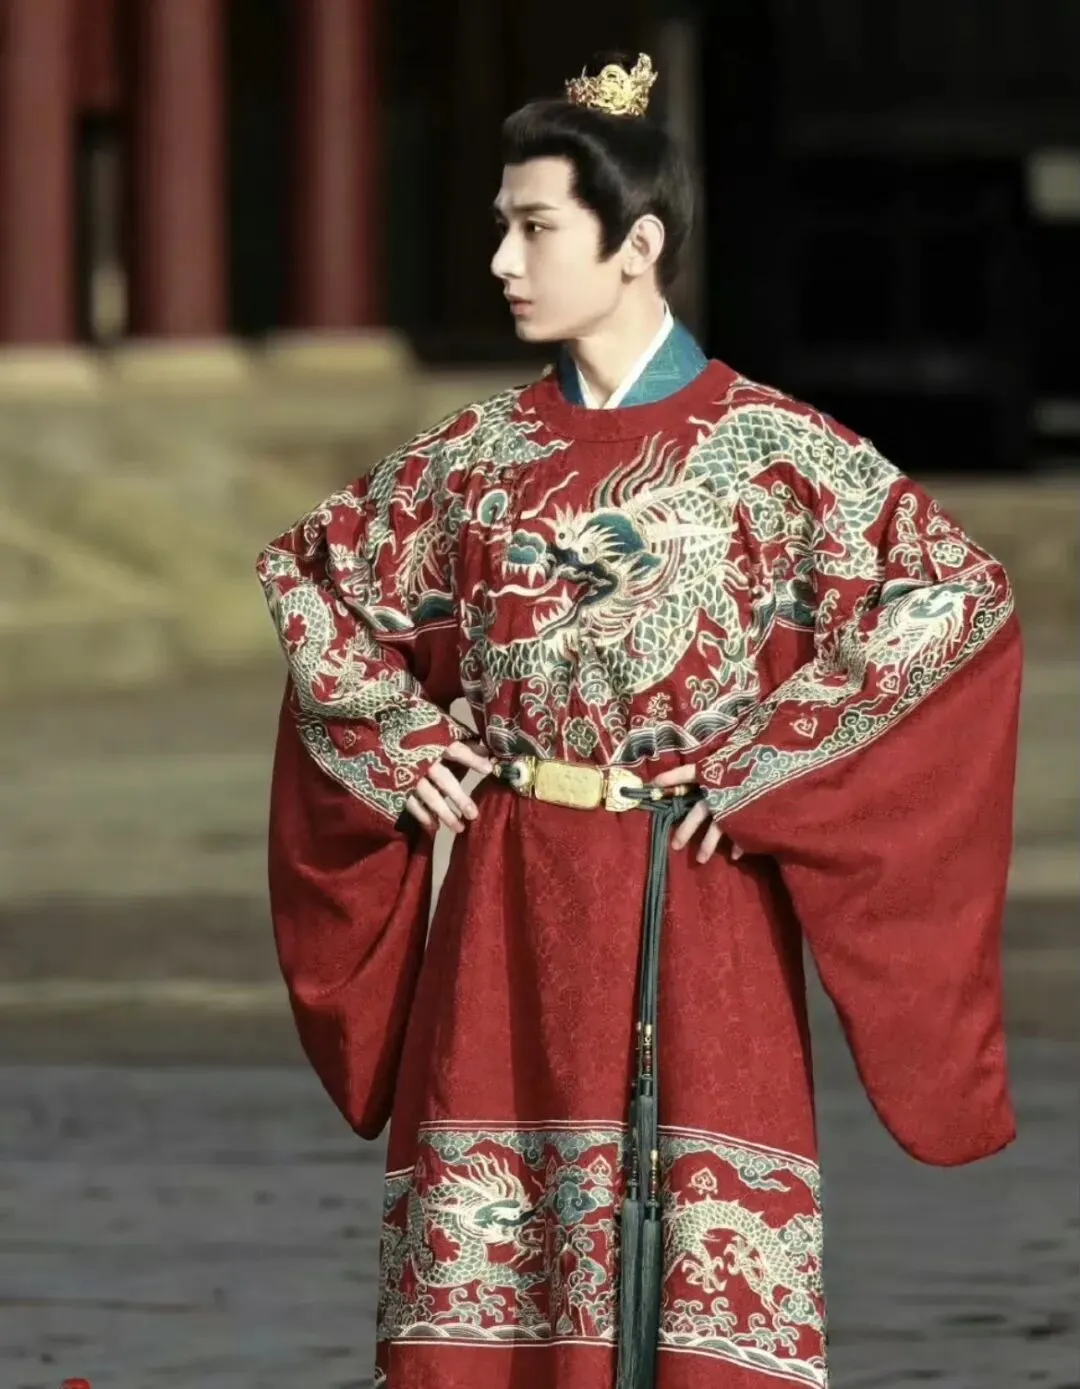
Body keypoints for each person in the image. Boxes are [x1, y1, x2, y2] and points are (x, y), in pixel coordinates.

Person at [257, 50, 1022, 1389]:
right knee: (489, 1296)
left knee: (697, 1293)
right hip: (508, 898)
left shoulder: (778, 454)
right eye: (502, 223)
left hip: (701, 894)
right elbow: (316, 581)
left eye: (536, 226)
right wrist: (397, 742)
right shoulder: (471, 459)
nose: (503, 259)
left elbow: (955, 600)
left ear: (639, 244)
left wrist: (773, 765)